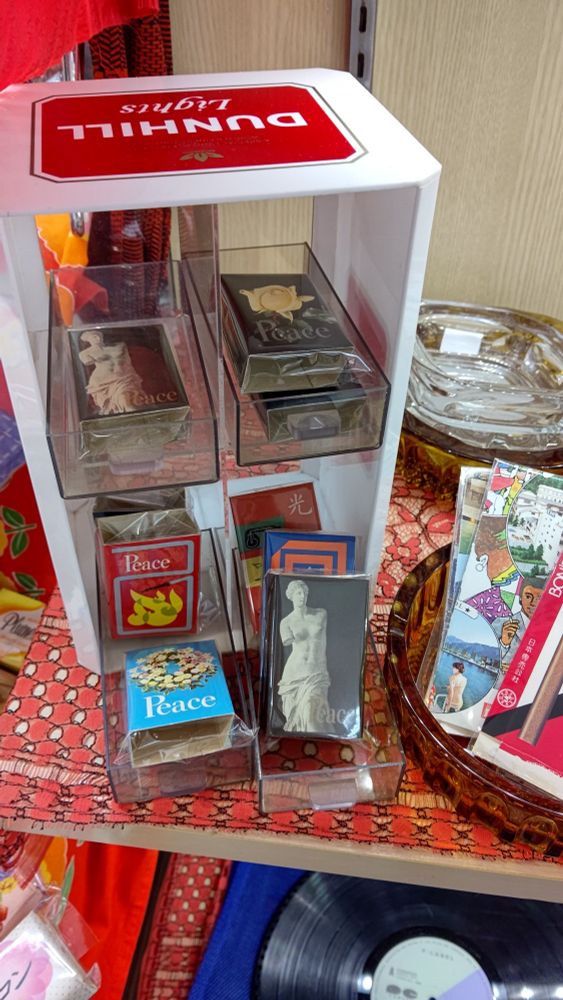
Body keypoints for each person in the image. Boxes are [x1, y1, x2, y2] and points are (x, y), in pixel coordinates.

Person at [277, 579, 331, 733]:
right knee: (304, 718)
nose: (302, 596)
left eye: (305, 593)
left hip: (316, 672)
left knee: (314, 717)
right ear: (291, 596)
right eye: (298, 593)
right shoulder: (286, 622)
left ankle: (317, 744)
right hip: (295, 672)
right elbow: (287, 640)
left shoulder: (320, 614)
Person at [79, 331, 143, 415]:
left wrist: (132, 374)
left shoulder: (120, 346)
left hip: (122, 377)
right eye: (93, 336)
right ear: (88, 340)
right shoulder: (85, 353)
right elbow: (87, 362)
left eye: (98, 335)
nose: (97, 338)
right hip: (102, 380)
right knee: (112, 407)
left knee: (125, 400)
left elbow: (128, 362)